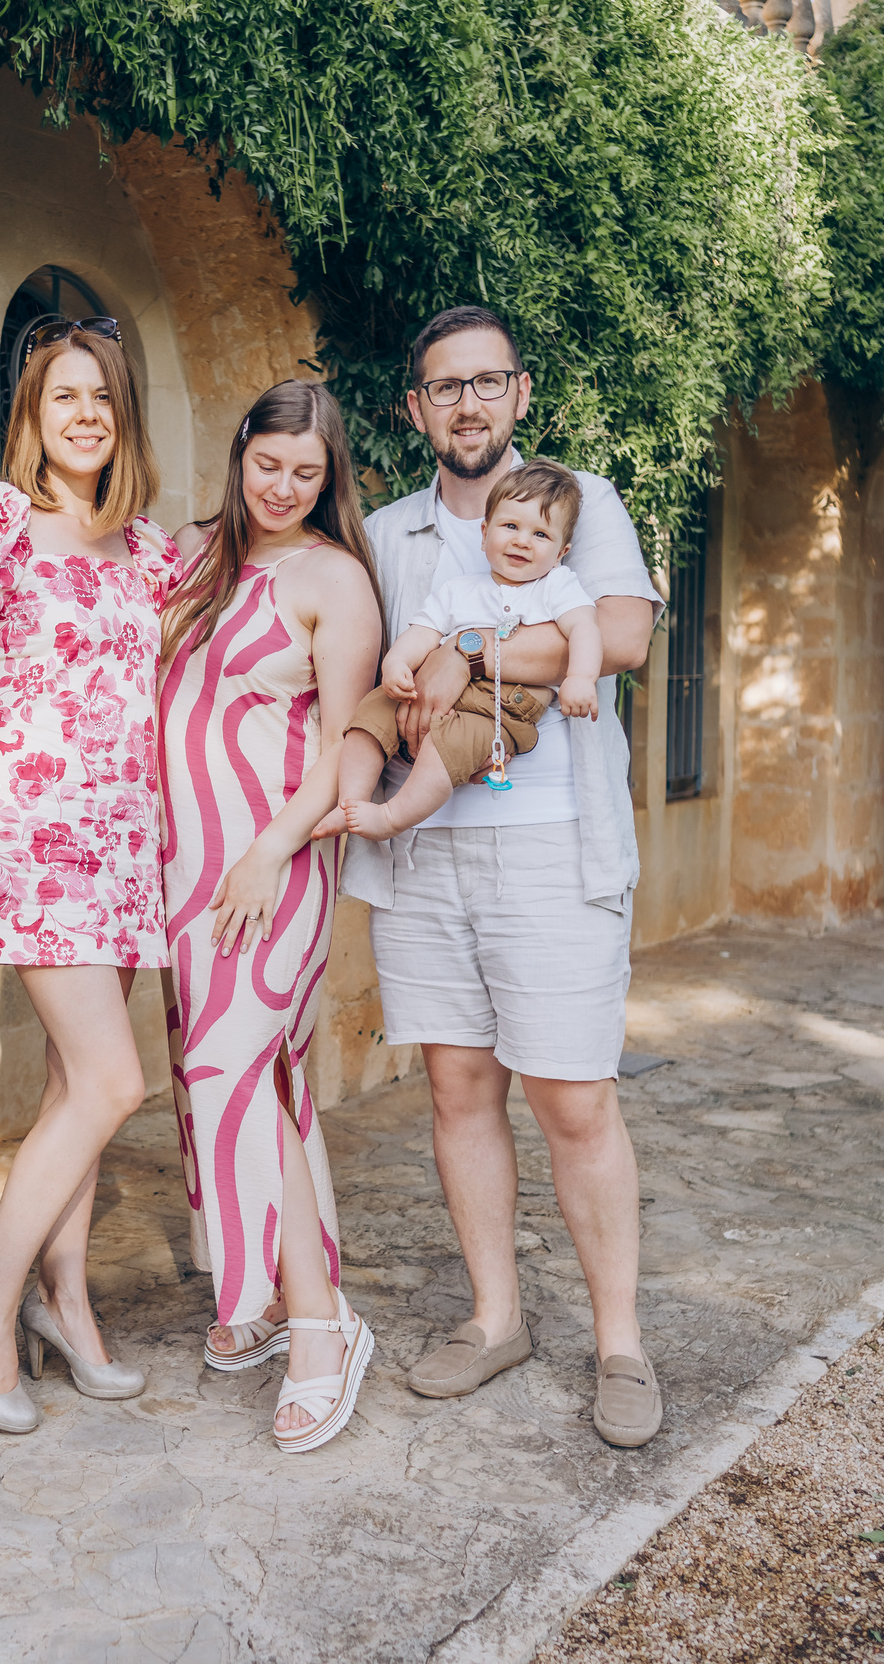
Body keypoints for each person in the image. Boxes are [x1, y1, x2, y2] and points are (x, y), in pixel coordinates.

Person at [345, 304, 668, 1448]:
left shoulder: (579, 505)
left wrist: (469, 649)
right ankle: (496, 1319)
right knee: (456, 1090)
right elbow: (373, 675)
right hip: (426, 847)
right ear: (417, 407)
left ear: (521, 395)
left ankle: (619, 1343)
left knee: (573, 1096)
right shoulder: (388, 533)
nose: (468, 404)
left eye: (488, 383)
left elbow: (620, 637)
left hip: (553, 841)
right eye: (445, 387)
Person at [0, 321, 179, 1433]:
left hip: (127, 840)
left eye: (102, 398)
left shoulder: (149, 550)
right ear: (31, 414)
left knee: (77, 1091)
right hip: (33, 828)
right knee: (115, 1083)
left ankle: (67, 1300)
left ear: (124, 418)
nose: (84, 415)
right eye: (64, 396)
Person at [158, 381, 387, 1452]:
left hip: (272, 867)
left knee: (233, 1077)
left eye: (307, 473)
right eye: (268, 464)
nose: (283, 488)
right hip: (183, 871)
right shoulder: (198, 558)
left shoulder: (332, 578)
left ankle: (316, 1333)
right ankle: (299, 1292)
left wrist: (267, 851)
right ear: (239, 453)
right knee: (260, 1088)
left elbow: (347, 749)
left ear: (329, 477)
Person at [326, 459, 602, 838]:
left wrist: (581, 677)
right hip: (438, 691)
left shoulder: (556, 586)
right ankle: (350, 801)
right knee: (372, 712)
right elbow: (422, 632)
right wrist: (397, 663)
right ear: (485, 533)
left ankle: (390, 818)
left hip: (502, 705)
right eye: (510, 526)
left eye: (541, 535)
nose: (522, 540)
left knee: (448, 749)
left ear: (561, 551)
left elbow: (585, 628)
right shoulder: (458, 589)